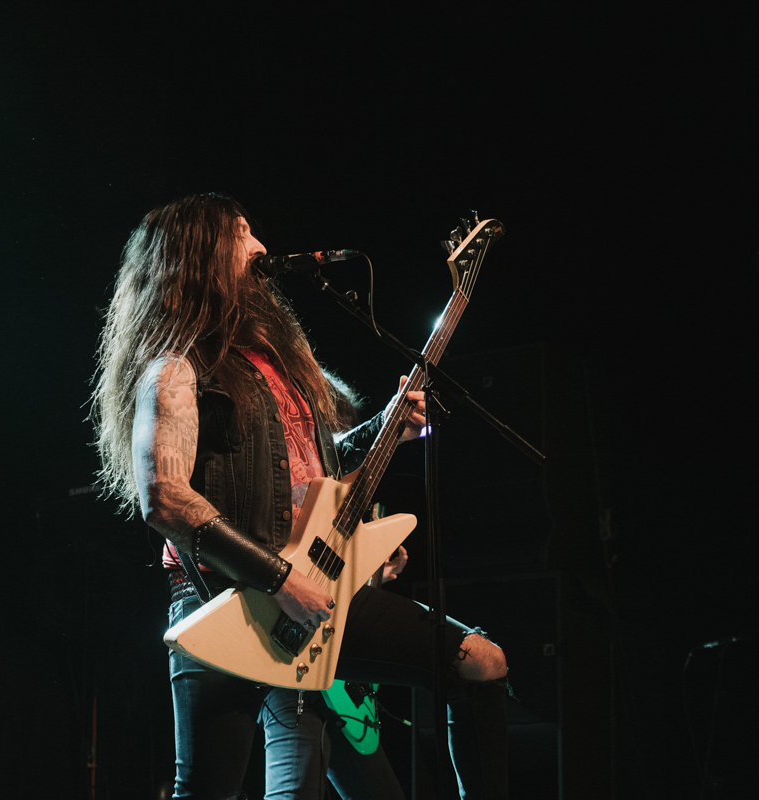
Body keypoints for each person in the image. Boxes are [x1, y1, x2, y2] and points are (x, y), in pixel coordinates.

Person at [91, 193, 510, 800]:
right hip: (226, 596)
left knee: (482, 662)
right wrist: (279, 579)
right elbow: (165, 498)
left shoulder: (279, 363)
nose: (261, 246)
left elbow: (310, 467)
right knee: (208, 789)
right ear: (200, 253)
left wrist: (387, 425)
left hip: (315, 586)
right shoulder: (176, 368)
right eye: (242, 234)